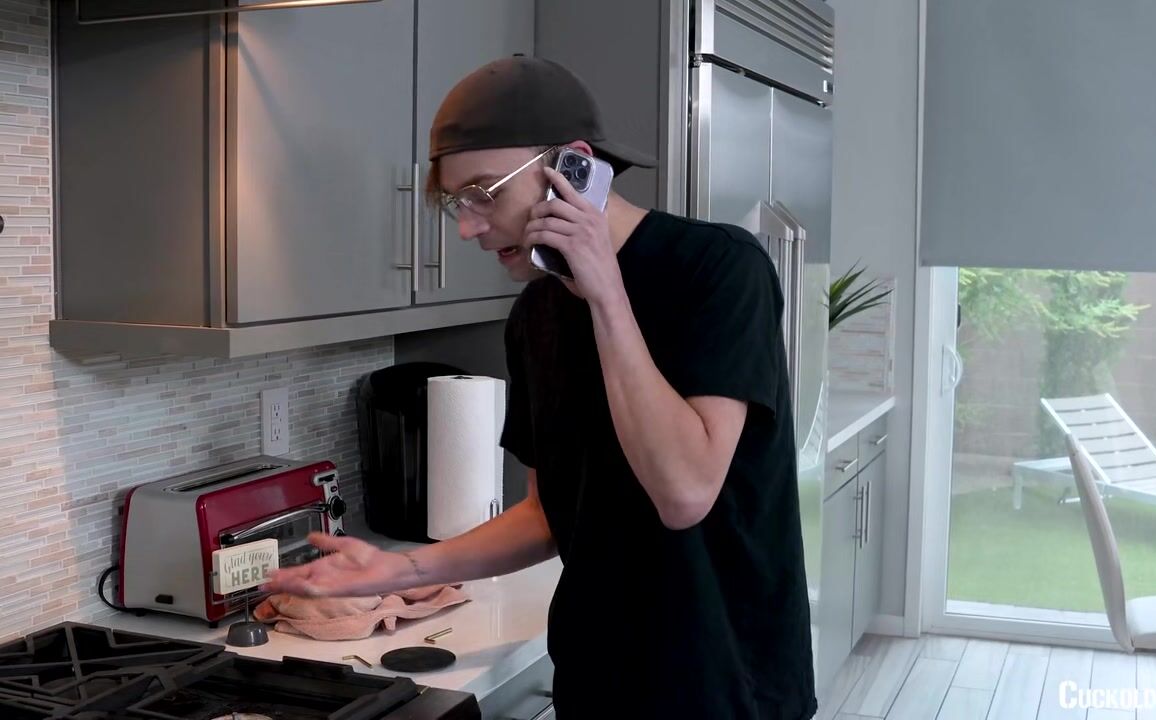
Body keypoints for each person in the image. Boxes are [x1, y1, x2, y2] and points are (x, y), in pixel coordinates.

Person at [264, 56, 816, 720]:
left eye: (485, 192)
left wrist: (606, 295)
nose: (468, 226)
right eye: (457, 202)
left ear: (573, 167)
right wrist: (403, 571)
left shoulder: (719, 269)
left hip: (727, 689)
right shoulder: (534, 316)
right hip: (596, 683)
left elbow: (684, 493)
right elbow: (548, 513)